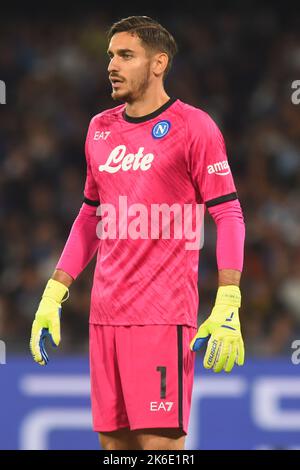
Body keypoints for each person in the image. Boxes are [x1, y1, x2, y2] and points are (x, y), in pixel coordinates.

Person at [29, 15, 245, 451]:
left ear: (159, 63)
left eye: (126, 55)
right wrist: (53, 294)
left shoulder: (194, 126)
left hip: (163, 318)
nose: (112, 64)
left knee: (160, 450)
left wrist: (228, 298)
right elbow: (91, 217)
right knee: (116, 451)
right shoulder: (99, 129)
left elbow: (229, 215)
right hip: (104, 315)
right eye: (110, 55)